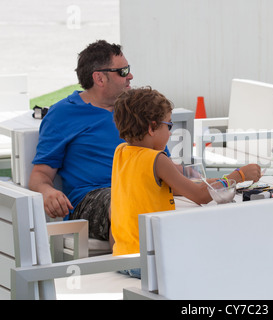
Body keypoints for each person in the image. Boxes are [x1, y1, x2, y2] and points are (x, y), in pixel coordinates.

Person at [111, 87, 261, 278]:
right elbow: (200, 196)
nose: (171, 133)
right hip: (149, 261)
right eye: (169, 126)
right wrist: (239, 175)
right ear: (151, 127)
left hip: (122, 257)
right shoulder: (157, 159)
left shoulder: (121, 153)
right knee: (223, 259)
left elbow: (174, 186)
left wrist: (219, 181)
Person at [29, 40, 134, 248]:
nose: (130, 76)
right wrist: (48, 193)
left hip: (137, 187)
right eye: (123, 71)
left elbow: (161, 160)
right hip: (90, 198)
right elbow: (39, 176)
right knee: (124, 200)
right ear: (99, 78)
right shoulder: (62, 114)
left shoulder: (135, 109)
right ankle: (130, 268)